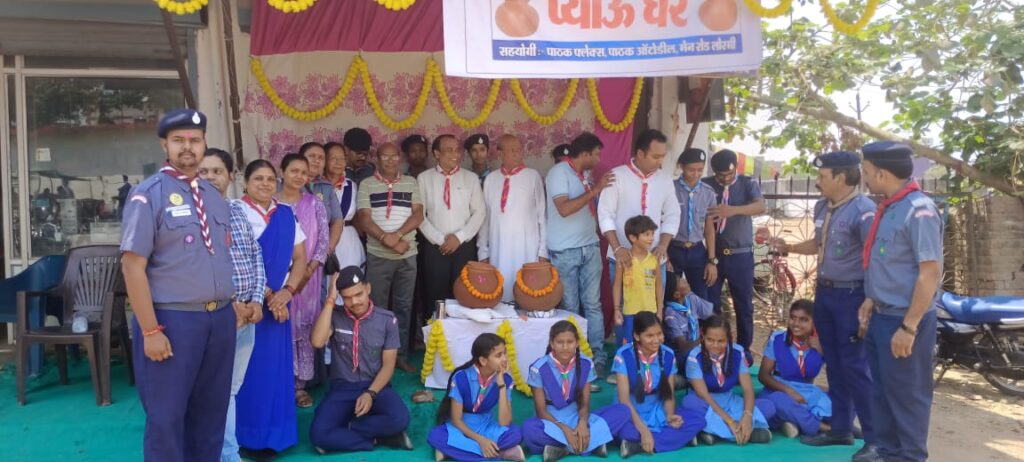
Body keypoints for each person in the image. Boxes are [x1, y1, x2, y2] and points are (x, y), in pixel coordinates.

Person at [121, 109, 236, 462]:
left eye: (195, 140)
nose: (188, 147)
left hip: (219, 320)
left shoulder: (213, 195)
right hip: (173, 321)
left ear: (204, 144)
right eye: (178, 140)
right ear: (164, 145)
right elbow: (132, 266)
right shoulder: (147, 195)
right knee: (166, 419)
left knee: (211, 416)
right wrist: (150, 330)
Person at [770, 150, 878, 457]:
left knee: (856, 367)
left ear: (840, 178)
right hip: (826, 294)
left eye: (822, 176)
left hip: (852, 296)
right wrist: (789, 246)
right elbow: (819, 243)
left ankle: (875, 440)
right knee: (835, 365)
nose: (817, 181)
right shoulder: (823, 206)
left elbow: (873, 257)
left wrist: (870, 300)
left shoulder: (863, 210)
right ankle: (841, 429)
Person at [858, 141, 942, 462]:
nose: (865, 178)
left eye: (867, 172)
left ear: (882, 174)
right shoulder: (890, 207)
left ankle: (910, 457)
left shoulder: (919, 211)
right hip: (882, 316)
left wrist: (909, 327)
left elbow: (929, 273)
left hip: (904, 321)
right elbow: (890, 263)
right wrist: (871, 298)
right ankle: (889, 453)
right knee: (883, 392)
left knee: (908, 397)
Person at [234, 159, 307, 459]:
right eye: (258, 178)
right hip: (248, 307)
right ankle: (246, 437)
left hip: (280, 307)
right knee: (247, 374)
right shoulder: (235, 212)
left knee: (275, 372)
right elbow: (234, 258)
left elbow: (300, 258)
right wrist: (267, 295)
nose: (264, 184)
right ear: (245, 182)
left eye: (269, 178)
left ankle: (276, 435)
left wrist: (287, 292)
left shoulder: (286, 214)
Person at [198, 149, 267, 462]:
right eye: (204, 172)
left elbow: (255, 255)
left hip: (247, 317)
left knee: (230, 389)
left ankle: (226, 453)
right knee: (213, 390)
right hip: (217, 314)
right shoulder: (191, 216)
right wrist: (231, 303)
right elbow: (199, 264)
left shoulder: (237, 211)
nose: (210, 177)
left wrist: (256, 300)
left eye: (217, 171)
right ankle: (226, 454)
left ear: (230, 176)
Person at [309, 267, 413, 453]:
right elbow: (317, 341)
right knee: (318, 434)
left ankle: (347, 430)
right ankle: (378, 439)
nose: (354, 302)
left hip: (376, 386)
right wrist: (330, 300)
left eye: (359, 294)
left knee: (400, 419)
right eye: (347, 297)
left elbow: (388, 366)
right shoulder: (334, 316)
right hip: (343, 387)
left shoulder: (387, 320)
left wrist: (370, 394)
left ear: (368, 288)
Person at [545, 132, 614, 379]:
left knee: (593, 305)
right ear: (584, 154)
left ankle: (597, 358)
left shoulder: (583, 175)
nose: (598, 159)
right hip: (565, 250)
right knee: (571, 308)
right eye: (596, 154)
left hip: (590, 246)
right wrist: (596, 189)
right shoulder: (558, 173)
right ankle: (572, 359)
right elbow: (564, 209)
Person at [356, 142, 424, 373]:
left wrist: (397, 235)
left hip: (407, 254)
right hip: (378, 255)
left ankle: (400, 356)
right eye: (384, 156)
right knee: (376, 308)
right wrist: (386, 238)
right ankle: (375, 357)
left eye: (393, 156)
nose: (390, 160)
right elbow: (364, 218)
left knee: (404, 307)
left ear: (399, 158)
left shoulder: (410, 182)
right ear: (377, 159)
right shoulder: (367, 184)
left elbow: (418, 214)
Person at [522, 321, 630, 461]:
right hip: (551, 421)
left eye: (570, 342)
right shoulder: (538, 368)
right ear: (552, 343)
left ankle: (562, 449)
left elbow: (584, 403)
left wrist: (583, 423)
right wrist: (565, 430)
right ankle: (592, 444)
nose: (565, 347)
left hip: (577, 416)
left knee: (623, 411)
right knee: (529, 430)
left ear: (577, 343)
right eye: (560, 342)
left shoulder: (586, 363)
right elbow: (541, 411)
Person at [597, 129, 680, 309]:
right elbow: (605, 215)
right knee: (623, 310)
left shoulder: (665, 180)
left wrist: (663, 245)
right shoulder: (616, 176)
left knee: (654, 310)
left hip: (654, 259)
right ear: (640, 154)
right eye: (655, 157)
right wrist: (617, 248)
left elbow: (673, 215)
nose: (660, 162)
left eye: (662, 157)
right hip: (622, 258)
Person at [610, 311, 705, 457]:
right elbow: (624, 401)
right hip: (630, 410)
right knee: (621, 427)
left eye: (659, 334)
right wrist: (643, 429)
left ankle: (636, 444)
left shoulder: (668, 354)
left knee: (697, 420)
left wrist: (670, 416)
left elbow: (668, 395)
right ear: (637, 336)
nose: (656, 340)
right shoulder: (623, 355)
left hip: (657, 410)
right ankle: (668, 440)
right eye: (649, 336)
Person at [702, 149, 766, 363]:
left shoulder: (748, 183)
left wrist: (733, 210)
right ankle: (715, 349)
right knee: (711, 306)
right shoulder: (707, 185)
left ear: (735, 168)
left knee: (744, 306)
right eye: (720, 176)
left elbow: (760, 206)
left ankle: (744, 350)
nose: (725, 180)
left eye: (729, 174)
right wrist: (711, 259)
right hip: (714, 256)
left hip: (741, 256)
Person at [276, 153, 330, 408]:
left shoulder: (315, 203)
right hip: (278, 278)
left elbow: (323, 241)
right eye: (294, 171)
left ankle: (300, 387)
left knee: (305, 327)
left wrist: (309, 269)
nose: (299, 176)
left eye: (304, 173)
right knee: (281, 326)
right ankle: (282, 384)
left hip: (309, 278)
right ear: (282, 172)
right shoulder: (271, 203)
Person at [428, 333, 525, 461]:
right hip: (461, 426)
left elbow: (504, 422)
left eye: (504, 353)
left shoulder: (506, 380)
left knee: (515, 434)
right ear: (483, 361)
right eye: (498, 355)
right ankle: (499, 453)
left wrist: (501, 386)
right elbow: (456, 420)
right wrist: (481, 440)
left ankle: (456, 451)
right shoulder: (461, 378)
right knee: (436, 435)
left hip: (486, 425)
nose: (504, 359)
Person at [418, 134, 487, 311]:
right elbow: (419, 215)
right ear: (437, 153)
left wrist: (459, 237)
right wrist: (440, 239)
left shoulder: (470, 178)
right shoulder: (424, 178)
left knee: (463, 294)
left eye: (457, 150)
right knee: (435, 296)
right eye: (449, 150)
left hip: (463, 246)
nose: (455, 154)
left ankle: (460, 329)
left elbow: (479, 212)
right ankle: (436, 328)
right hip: (435, 247)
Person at [683, 315, 775, 446]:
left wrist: (747, 416)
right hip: (705, 403)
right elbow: (703, 396)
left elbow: (748, 389)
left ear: (730, 338)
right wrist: (730, 421)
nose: (715, 345)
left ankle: (711, 431)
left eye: (721, 341)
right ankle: (743, 432)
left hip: (729, 401)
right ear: (702, 336)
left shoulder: (738, 352)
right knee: (690, 403)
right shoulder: (694, 357)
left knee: (769, 406)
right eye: (710, 340)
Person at [479, 134, 547, 302]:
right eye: (512, 150)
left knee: (527, 294)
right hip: (498, 249)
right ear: (500, 154)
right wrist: (483, 251)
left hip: (527, 249)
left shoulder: (533, 176)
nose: (518, 153)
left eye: (519, 149)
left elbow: (542, 216)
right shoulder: (490, 179)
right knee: (500, 293)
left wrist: (543, 251)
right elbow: (485, 218)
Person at [758, 299, 832, 438]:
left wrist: (822, 350)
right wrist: (789, 391)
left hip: (807, 392)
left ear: (814, 322)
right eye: (793, 318)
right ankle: (824, 427)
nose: (796, 324)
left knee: (845, 396)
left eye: (803, 320)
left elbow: (838, 373)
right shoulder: (777, 339)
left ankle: (790, 421)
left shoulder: (822, 342)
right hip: (779, 390)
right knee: (777, 401)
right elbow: (763, 376)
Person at [669, 148, 718, 300]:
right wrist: (665, 255)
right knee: (670, 294)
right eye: (691, 170)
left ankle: (697, 318)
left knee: (700, 296)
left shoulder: (708, 193)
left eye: (700, 170)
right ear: (681, 166)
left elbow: (709, 228)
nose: (696, 174)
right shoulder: (670, 189)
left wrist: (711, 261)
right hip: (673, 248)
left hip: (697, 251)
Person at [613, 215, 664, 348]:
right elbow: (617, 285)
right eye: (647, 234)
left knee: (649, 345)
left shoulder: (654, 260)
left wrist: (660, 309)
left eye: (652, 234)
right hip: (630, 313)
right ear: (633, 238)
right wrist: (616, 309)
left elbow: (659, 285)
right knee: (630, 346)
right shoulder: (624, 259)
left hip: (651, 312)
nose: (651, 238)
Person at [324, 142, 365, 271]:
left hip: (347, 240)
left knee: (348, 276)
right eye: (333, 158)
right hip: (321, 237)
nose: (338, 162)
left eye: (342, 158)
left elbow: (358, 217)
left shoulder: (351, 186)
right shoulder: (316, 186)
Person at [663, 275, 714, 378]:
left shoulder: (691, 298)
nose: (684, 280)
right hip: (683, 355)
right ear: (677, 294)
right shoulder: (670, 314)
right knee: (701, 359)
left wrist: (722, 329)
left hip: (699, 347)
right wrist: (703, 340)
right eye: (679, 281)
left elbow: (712, 316)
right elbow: (683, 347)